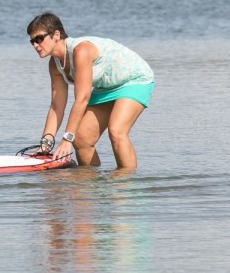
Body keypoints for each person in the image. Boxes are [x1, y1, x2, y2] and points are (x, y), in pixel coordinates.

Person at [27, 13, 154, 168]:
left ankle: (124, 185)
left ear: (56, 35)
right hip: (105, 88)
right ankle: (89, 183)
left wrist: (67, 139)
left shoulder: (81, 51)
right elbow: (56, 106)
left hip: (133, 80)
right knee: (81, 139)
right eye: (32, 41)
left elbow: (82, 99)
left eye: (39, 39)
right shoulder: (55, 65)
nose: (35, 45)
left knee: (116, 131)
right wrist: (46, 144)